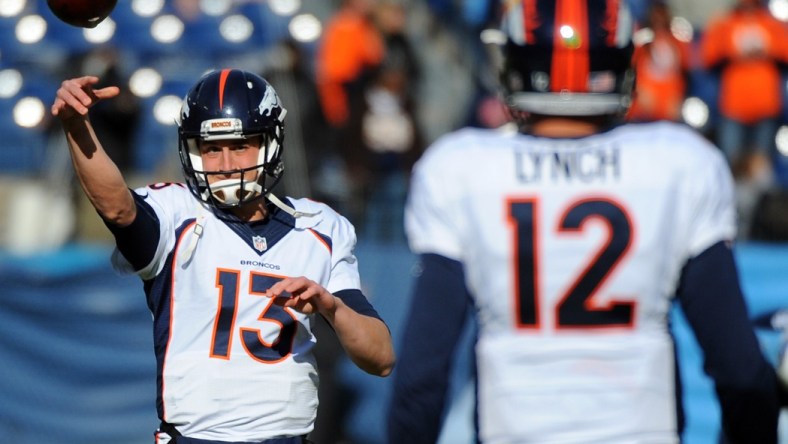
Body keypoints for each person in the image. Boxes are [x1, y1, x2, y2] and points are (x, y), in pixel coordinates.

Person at [387, 1, 783, 443]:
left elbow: (423, 374)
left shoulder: (462, 168)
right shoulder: (678, 163)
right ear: (623, 61)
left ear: (513, 61)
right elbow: (738, 367)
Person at [51, 68, 395, 444]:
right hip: (196, 437)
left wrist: (332, 307)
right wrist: (76, 127)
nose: (227, 164)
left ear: (270, 143)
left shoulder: (319, 227)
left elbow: (380, 358)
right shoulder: (177, 213)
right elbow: (118, 209)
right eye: (212, 148)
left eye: (240, 145)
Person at [627, 1, 692, 123]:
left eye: (662, 14)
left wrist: (678, 98)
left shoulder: (677, 43)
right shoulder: (641, 41)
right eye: (655, 15)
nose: (659, 19)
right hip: (644, 108)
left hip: (668, 107)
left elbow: (684, 73)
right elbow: (631, 72)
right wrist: (640, 93)